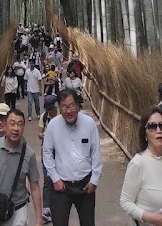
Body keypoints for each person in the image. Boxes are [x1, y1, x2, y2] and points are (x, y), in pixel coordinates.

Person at [42, 88, 102, 226]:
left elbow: (96, 152)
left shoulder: (89, 124)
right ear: (59, 108)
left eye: (71, 106)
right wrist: (55, 178)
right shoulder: (53, 126)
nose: (68, 111)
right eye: (64, 106)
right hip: (61, 185)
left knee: (88, 223)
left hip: (85, 184)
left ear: (77, 106)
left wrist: (94, 179)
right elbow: (47, 153)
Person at [0, 108, 43, 226]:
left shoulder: (29, 154)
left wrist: (38, 220)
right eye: (12, 123)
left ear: (23, 128)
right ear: (5, 125)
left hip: (18, 210)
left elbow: (35, 187)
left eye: (19, 124)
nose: (15, 128)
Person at [38, 94, 59, 223]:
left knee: (59, 175)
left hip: (60, 150)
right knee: (47, 178)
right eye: (48, 108)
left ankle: (59, 203)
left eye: (52, 108)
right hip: (47, 149)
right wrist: (44, 135)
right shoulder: (44, 117)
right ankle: (46, 207)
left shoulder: (62, 116)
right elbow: (39, 134)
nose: (50, 111)